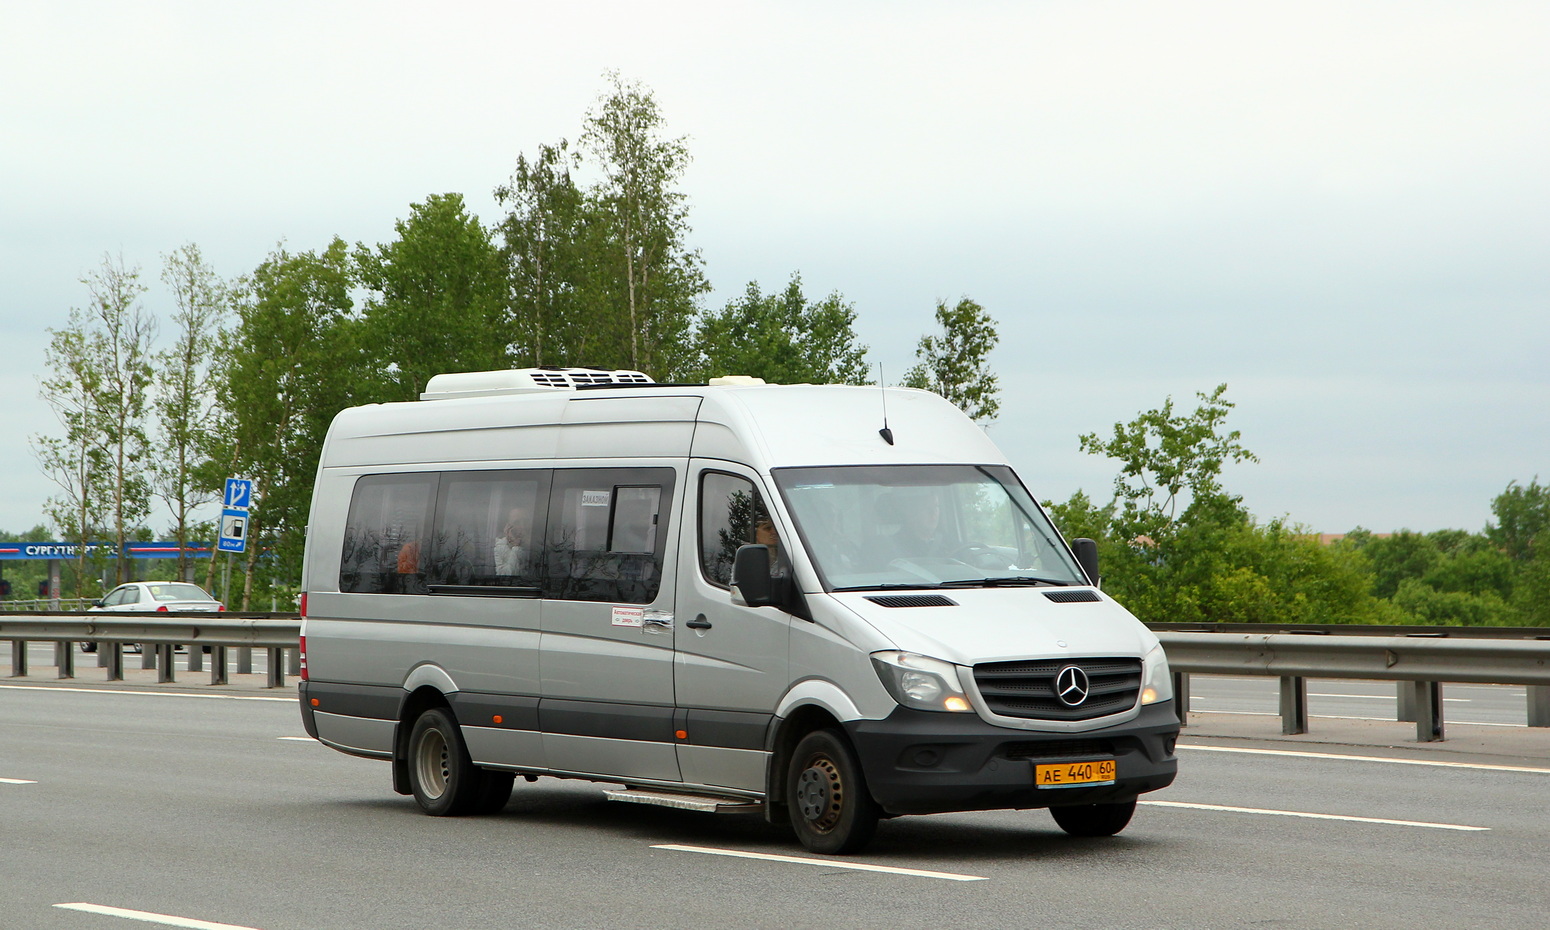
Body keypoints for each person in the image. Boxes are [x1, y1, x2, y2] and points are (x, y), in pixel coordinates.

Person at [494, 506, 530, 576]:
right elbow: (507, 577)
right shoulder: (500, 546)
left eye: (526, 521)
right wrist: (517, 548)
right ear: (508, 526)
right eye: (517, 522)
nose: (523, 526)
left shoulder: (539, 543)